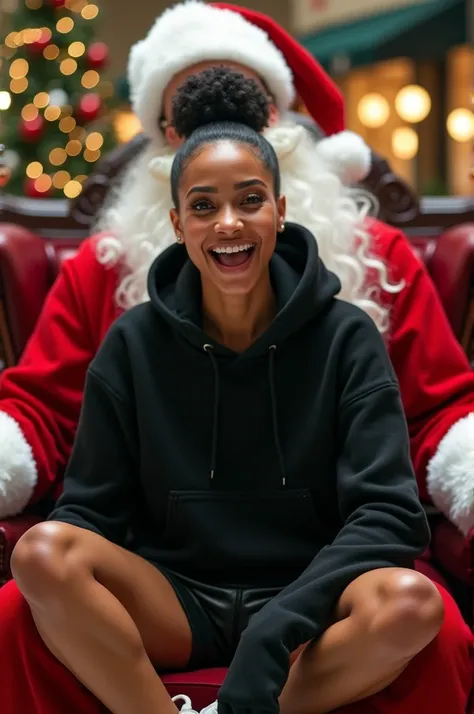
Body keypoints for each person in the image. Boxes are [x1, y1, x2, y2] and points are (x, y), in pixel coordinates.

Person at [8, 69, 473, 714]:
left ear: (280, 211)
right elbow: (90, 510)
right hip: (173, 594)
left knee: (414, 605)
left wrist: (273, 630)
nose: (228, 223)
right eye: (204, 206)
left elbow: (389, 516)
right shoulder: (131, 342)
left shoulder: (348, 337)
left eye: (249, 200)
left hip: (313, 593)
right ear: (178, 222)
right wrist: (78, 573)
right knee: (40, 554)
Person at [0, 3, 473, 539]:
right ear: (162, 138)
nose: (220, 133)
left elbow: (441, 410)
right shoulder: (103, 269)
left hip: (332, 539)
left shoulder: (378, 259)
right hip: (156, 550)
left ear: (283, 120)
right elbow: (40, 410)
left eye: (249, 107)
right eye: (190, 114)